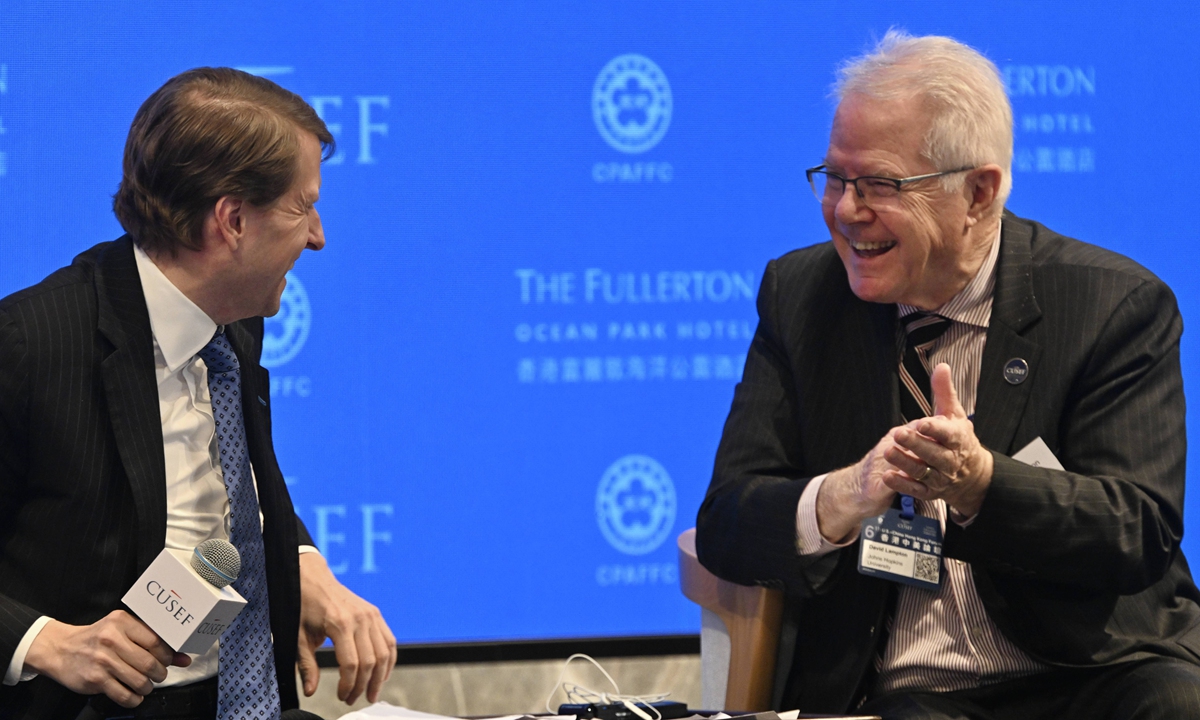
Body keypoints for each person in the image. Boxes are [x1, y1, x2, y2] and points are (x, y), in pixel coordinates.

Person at [695, 31, 1200, 720]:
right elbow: (727, 520)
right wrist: (846, 495)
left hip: (1095, 669)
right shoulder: (802, 295)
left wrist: (982, 485)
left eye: (879, 185)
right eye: (835, 179)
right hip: (913, 689)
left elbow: (1135, 530)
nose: (846, 211)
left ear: (979, 193)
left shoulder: (1113, 305)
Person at [0, 67, 397, 719]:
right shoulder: (29, 344)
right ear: (232, 221)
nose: (318, 236)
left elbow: (233, 485)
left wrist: (299, 561)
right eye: (303, 206)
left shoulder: (234, 321)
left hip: (244, 699)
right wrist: (47, 643)